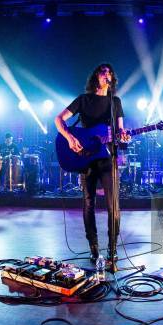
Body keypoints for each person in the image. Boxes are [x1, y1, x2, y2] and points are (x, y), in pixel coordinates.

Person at [54, 63, 131, 264]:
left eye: (110, 73)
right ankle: (94, 248)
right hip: (86, 158)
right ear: (96, 76)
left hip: (107, 158)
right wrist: (70, 138)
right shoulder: (84, 100)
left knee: (113, 204)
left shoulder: (116, 102)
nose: (107, 75)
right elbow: (58, 119)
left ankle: (112, 249)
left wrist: (124, 137)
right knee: (89, 204)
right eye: (103, 72)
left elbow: (121, 131)